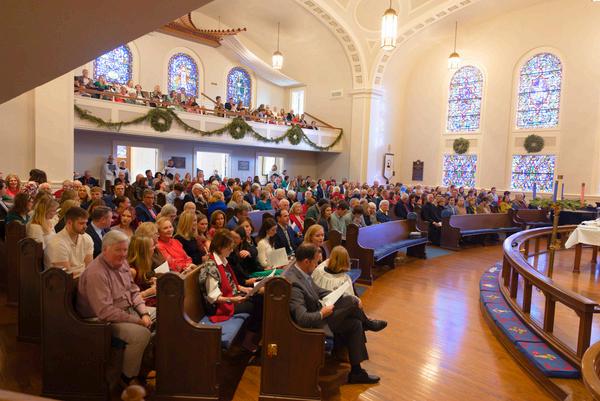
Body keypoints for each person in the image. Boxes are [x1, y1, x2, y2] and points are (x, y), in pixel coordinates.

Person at [282, 243, 386, 384]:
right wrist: (322, 313)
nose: (317, 265)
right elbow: (302, 319)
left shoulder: (302, 272)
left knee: (355, 323)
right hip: (315, 324)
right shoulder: (295, 283)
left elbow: (319, 291)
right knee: (352, 302)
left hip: (321, 315)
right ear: (306, 261)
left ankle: (357, 372)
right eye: (316, 261)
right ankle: (368, 323)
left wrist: (340, 294)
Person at [76, 231, 153, 387]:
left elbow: (133, 291)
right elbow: (105, 311)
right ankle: (127, 376)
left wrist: (144, 313)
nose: (123, 254)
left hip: (125, 310)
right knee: (141, 334)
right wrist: (137, 321)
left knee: (161, 317)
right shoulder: (96, 273)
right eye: (118, 250)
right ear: (105, 249)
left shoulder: (122, 263)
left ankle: (144, 368)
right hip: (101, 322)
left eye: (125, 250)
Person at [198, 229, 262, 351]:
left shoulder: (222, 260)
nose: (232, 250)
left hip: (230, 297)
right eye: (229, 248)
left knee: (259, 297)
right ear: (220, 247)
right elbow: (213, 297)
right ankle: (246, 341)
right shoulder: (211, 266)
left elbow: (230, 283)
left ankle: (251, 338)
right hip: (218, 306)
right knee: (257, 304)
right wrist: (233, 300)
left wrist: (244, 289)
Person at [44, 207, 94, 277]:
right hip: (61, 281)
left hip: (82, 277)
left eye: (86, 223)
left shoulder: (87, 238)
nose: (85, 226)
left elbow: (89, 266)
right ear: (69, 223)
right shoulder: (57, 243)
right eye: (81, 223)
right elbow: (66, 275)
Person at [127, 235, 157, 307]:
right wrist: (147, 293)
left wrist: (149, 282)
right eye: (152, 246)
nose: (154, 248)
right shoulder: (131, 271)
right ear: (144, 251)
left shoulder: (141, 265)